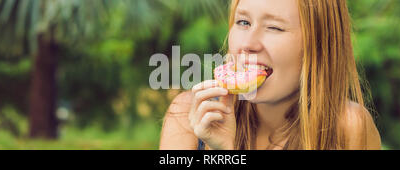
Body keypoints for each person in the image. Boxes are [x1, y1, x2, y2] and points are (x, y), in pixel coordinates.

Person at [160, 0, 381, 150]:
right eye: (243, 22)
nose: (248, 44)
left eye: (274, 27)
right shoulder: (187, 118)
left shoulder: (348, 127)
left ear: (319, 45)